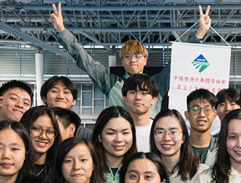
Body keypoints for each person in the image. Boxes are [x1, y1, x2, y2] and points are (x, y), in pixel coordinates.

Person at [49, 3, 212, 117]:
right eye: (126, 56)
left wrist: (199, 34)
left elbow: (178, 62)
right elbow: (85, 61)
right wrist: (62, 31)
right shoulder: (110, 83)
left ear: (145, 60)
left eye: (137, 56)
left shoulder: (157, 83)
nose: (132, 60)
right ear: (122, 61)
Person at [151, 109, 206, 183]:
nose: (166, 138)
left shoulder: (201, 173)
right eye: (160, 132)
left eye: (173, 132)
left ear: (183, 137)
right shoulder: (146, 172)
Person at [91, 106, 136, 183]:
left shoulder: (140, 167)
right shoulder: (88, 168)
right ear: (99, 137)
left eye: (125, 133)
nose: (119, 139)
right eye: (111, 133)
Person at [20, 106, 63, 183]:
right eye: (36, 129)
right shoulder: (13, 166)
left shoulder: (60, 169)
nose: (43, 136)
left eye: (50, 131)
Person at [122, 74, 158, 151]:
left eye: (144, 93)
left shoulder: (159, 130)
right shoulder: (118, 130)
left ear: (154, 99)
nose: (138, 97)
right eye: (132, 92)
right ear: (125, 98)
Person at [185, 88, 219, 165]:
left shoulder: (222, 149)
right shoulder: (178, 147)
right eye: (196, 109)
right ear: (187, 115)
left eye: (207, 109)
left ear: (214, 115)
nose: (202, 114)